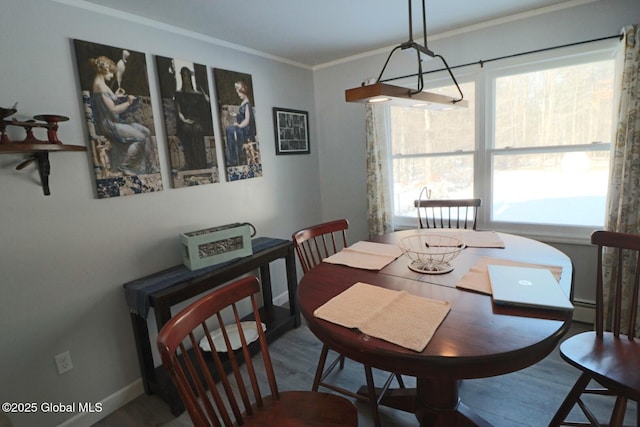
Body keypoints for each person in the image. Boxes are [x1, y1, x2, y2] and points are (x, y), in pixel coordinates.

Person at [89, 55, 151, 176]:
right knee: (141, 137)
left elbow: (109, 99)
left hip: (116, 121)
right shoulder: (99, 85)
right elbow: (113, 110)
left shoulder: (102, 83)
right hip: (109, 124)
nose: (112, 76)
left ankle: (145, 166)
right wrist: (128, 102)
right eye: (111, 73)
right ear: (104, 70)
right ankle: (125, 166)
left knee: (146, 131)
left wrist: (117, 96)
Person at [174, 67, 211, 170]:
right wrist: (184, 120)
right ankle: (191, 165)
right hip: (185, 121)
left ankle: (201, 164)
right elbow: (179, 112)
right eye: (184, 76)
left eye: (187, 76)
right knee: (187, 129)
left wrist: (207, 100)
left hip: (197, 120)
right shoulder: (179, 94)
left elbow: (204, 110)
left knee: (198, 129)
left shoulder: (198, 95)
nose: (186, 78)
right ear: (182, 77)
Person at [225, 81, 256, 166]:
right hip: (242, 128)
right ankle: (233, 158)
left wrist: (239, 125)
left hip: (246, 130)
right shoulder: (243, 103)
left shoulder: (247, 104)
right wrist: (236, 115)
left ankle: (234, 160)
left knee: (231, 130)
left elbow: (247, 120)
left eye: (239, 92)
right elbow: (242, 116)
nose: (238, 94)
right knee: (229, 130)